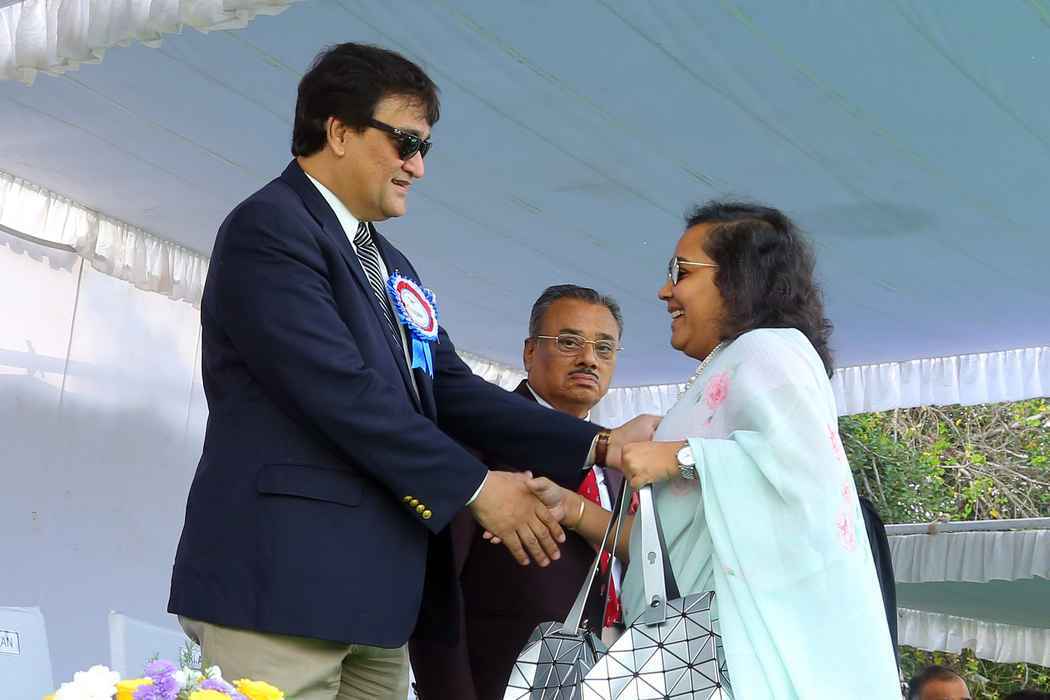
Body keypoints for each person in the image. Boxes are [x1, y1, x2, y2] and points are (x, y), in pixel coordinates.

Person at [167, 43, 657, 700]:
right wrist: (478, 487)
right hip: (281, 581)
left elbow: (449, 387)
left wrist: (600, 444)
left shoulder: (391, 263)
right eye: (404, 142)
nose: (418, 166)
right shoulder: (270, 228)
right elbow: (339, 392)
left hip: (377, 600)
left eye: (424, 147)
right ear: (338, 131)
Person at [526, 201, 901, 698]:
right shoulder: (732, 361)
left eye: (680, 272)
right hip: (693, 659)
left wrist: (683, 455)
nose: (665, 291)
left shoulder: (772, 349)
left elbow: (806, 476)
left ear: (738, 276)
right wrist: (575, 510)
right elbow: (673, 543)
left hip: (732, 664)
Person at [411, 284, 630, 699]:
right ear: (530, 352)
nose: (589, 359)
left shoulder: (620, 463)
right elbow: (435, 592)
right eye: (569, 342)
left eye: (605, 348)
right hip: (498, 681)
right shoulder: (475, 442)